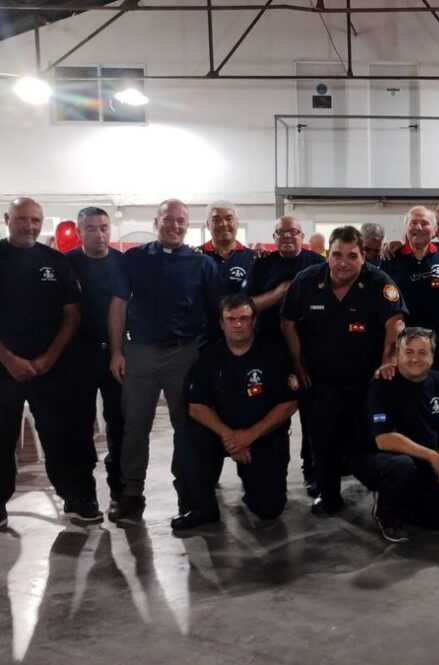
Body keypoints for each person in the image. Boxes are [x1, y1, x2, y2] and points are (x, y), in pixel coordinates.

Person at [108, 198, 221, 523]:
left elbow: (218, 312)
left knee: (185, 428)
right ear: (156, 223)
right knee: (135, 426)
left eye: (181, 220)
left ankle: (188, 493)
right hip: (140, 353)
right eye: (168, 219)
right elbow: (118, 305)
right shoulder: (134, 259)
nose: (175, 225)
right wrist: (117, 352)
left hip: (184, 355)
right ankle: (132, 494)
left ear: (188, 225)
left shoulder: (202, 264)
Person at [281, 225, 406, 516]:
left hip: (365, 380)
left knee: (365, 440)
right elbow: (287, 322)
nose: (343, 263)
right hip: (321, 381)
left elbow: (396, 322)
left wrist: (388, 361)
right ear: (328, 255)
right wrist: (297, 362)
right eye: (337, 255)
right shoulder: (307, 281)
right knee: (323, 440)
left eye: (352, 256)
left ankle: (379, 493)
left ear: (363, 257)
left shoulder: (378, 282)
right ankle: (329, 496)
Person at [1, 197, 101, 528]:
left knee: (63, 435)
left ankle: (78, 498)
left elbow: (72, 315)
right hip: (3, 368)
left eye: (35, 220)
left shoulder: (55, 261)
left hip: (51, 368)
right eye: (22, 219)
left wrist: (48, 359)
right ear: (7, 218)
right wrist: (9, 359)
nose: (29, 226)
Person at [171, 295, 299, 530]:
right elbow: (196, 406)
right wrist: (231, 437)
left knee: (269, 509)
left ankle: (252, 483)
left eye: (244, 318)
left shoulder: (274, 354)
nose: (238, 324)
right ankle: (201, 508)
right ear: (221, 323)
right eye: (231, 319)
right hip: (221, 435)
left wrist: (249, 435)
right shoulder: (210, 356)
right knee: (188, 437)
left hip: (262, 435)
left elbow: (289, 404)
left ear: (254, 321)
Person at [354, 327, 439, 543]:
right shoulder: (382, 384)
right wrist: (432, 456)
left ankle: (406, 498)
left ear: (432, 356)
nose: (415, 359)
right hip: (379, 458)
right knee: (401, 467)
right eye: (409, 352)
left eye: (422, 352)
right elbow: (384, 439)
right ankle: (386, 515)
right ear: (397, 354)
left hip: (425, 458)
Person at [247, 216, 325, 495]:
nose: (287, 236)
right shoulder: (262, 264)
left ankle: (313, 472)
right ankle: (269, 472)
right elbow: (247, 305)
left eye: (293, 231)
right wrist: (277, 294)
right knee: (272, 415)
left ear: (303, 235)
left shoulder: (318, 263)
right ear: (274, 237)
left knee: (313, 415)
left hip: (311, 352)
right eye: (281, 232)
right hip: (271, 352)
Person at [66, 206, 126, 504]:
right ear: (79, 232)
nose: (99, 234)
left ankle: (119, 487)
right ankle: (83, 493)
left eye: (104, 227)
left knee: (119, 422)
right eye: (91, 228)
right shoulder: (67, 263)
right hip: (78, 356)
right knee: (79, 424)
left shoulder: (121, 262)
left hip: (116, 355)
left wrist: (120, 351)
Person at [380, 206, 439, 374]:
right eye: (413, 223)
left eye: (425, 223)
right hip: (403, 342)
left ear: (434, 229)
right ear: (406, 228)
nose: (418, 227)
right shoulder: (390, 258)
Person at [201, 201, 254, 296]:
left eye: (229, 219)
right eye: (216, 220)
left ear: (237, 223)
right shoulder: (197, 256)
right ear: (208, 224)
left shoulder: (252, 258)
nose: (223, 224)